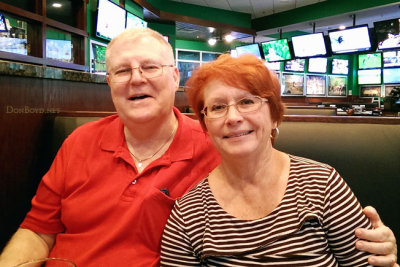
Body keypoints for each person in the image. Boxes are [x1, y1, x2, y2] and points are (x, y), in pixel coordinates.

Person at [0, 28, 397, 267]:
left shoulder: (221, 148)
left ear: (175, 76)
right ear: (109, 83)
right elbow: (38, 229)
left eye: (150, 67)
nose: (136, 79)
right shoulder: (78, 142)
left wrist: (383, 250)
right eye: (122, 70)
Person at [161, 54, 398, 266]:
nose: (233, 117)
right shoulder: (188, 214)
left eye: (247, 101)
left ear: (274, 116)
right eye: (217, 107)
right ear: (206, 125)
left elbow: (371, 261)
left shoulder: (323, 184)